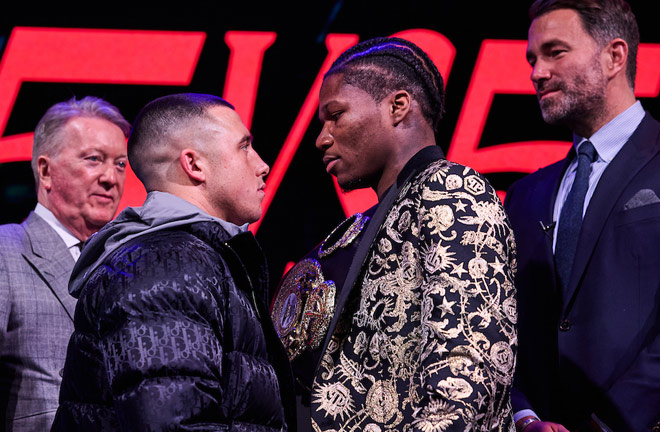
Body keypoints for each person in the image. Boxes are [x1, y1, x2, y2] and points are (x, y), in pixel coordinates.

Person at [271, 37, 518, 432]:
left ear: (397, 107)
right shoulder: (363, 223)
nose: (322, 137)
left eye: (336, 114)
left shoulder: (451, 190)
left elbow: (466, 370)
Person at [51, 93, 295, 431]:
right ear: (194, 164)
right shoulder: (166, 264)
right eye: (244, 147)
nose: (261, 164)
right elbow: (173, 423)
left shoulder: (187, 257)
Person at [504, 0, 660, 430]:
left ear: (614, 56)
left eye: (556, 52)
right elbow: (505, 327)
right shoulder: (524, 196)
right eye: (533, 59)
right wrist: (525, 415)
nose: (537, 72)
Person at [0, 96, 130, 431]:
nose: (110, 178)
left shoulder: (125, 265)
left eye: (119, 164)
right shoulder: (6, 250)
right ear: (45, 171)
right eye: (93, 159)